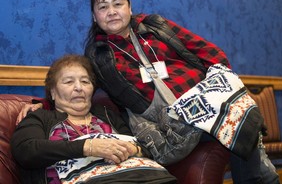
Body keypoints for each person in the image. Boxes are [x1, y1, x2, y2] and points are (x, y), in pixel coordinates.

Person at [17, 0, 279, 184]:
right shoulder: (98, 56)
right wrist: (44, 103)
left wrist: (222, 90)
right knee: (242, 134)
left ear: (129, 7)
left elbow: (211, 53)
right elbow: (80, 89)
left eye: (117, 3)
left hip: (203, 98)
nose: (112, 11)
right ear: (95, 16)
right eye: (103, 7)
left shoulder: (156, 26)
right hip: (171, 123)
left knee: (243, 129)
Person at [11, 54, 177, 184]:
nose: (78, 87)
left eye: (85, 81)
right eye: (68, 82)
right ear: (53, 92)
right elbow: (26, 151)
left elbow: (142, 146)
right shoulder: (40, 117)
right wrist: (88, 146)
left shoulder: (107, 115)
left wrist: (134, 149)